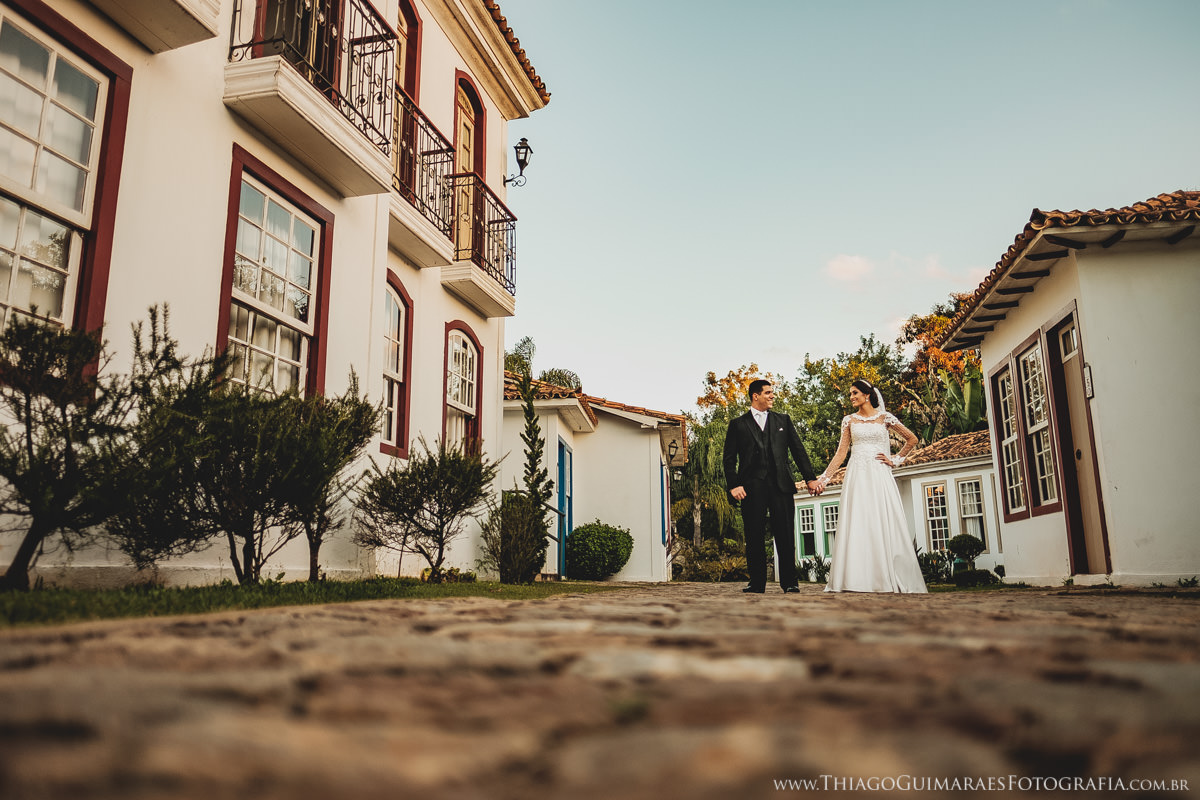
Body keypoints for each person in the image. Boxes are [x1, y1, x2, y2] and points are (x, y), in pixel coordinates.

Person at [815, 379, 927, 593]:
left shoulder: (885, 418)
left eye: (855, 393)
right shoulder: (849, 421)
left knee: (881, 518)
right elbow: (841, 453)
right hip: (857, 474)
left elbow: (911, 439)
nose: (851, 397)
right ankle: (856, 578)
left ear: (867, 395)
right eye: (850, 394)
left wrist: (895, 459)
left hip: (879, 474)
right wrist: (825, 478)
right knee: (858, 520)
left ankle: (886, 576)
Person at [723, 379, 823, 594]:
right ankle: (757, 583)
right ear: (755, 396)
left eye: (772, 393)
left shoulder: (783, 421)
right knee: (754, 534)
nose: (772, 396)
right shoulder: (738, 424)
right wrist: (734, 485)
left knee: (786, 533)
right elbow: (729, 459)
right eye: (768, 393)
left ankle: (790, 582)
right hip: (751, 486)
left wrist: (810, 478)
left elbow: (798, 451)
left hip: (781, 485)